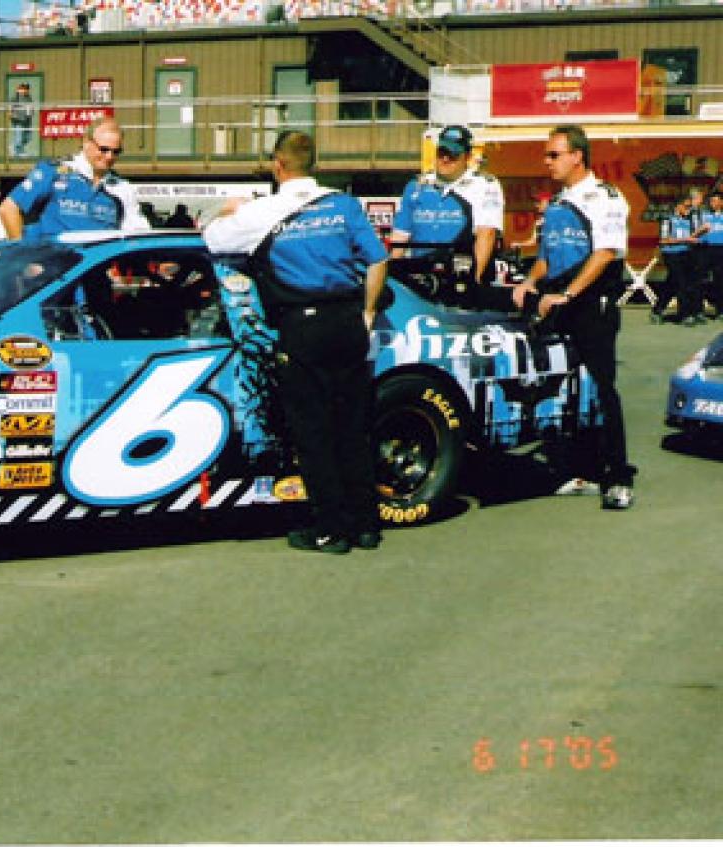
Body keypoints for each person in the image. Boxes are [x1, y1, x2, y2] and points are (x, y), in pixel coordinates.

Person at [203, 129, 388, 555]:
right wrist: (367, 312)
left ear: (278, 165)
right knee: (352, 427)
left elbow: (210, 238)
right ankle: (365, 526)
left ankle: (331, 530)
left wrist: (226, 211)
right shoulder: (343, 204)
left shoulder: (263, 211)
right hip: (348, 322)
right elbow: (378, 259)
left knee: (314, 432)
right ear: (314, 164)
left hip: (302, 327)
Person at [509, 124, 636, 510]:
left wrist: (567, 294)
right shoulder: (557, 204)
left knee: (601, 387)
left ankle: (618, 478)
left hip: (590, 305)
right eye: (546, 154)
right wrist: (529, 282)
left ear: (577, 156)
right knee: (562, 386)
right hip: (557, 305)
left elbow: (606, 253)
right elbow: (546, 257)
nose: (547, 161)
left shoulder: (605, 197)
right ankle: (579, 469)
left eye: (554, 154)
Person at [390, 124, 505, 304]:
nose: (445, 159)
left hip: (460, 275)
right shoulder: (417, 185)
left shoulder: (484, 185)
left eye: (453, 154)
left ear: (467, 157)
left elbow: (487, 234)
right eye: (441, 152)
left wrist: (475, 279)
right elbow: (400, 237)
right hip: (419, 277)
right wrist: (389, 275)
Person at [0, 116, 148, 240]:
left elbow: (139, 234)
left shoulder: (122, 188)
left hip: (96, 263)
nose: (109, 156)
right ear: (86, 142)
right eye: (104, 149)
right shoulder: (55, 172)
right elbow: (8, 209)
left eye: (116, 151)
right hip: (55, 261)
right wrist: (23, 253)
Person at [654, 197, 698, 324]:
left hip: (685, 253)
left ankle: (657, 309)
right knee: (681, 283)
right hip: (671, 254)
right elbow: (664, 240)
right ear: (678, 206)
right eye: (686, 207)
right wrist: (685, 240)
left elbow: (692, 237)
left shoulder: (688, 221)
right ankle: (684, 315)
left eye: (690, 207)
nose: (688, 210)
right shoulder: (668, 220)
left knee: (672, 284)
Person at [699, 190, 723, 318]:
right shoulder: (705, 216)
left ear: (721, 202)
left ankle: (720, 310)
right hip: (706, 249)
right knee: (701, 279)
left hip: (720, 250)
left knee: (720, 280)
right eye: (711, 201)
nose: (712, 203)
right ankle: (698, 310)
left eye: (715, 201)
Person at [9, 82, 35, 157]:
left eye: (26, 89)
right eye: (23, 88)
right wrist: (10, 113)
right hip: (18, 120)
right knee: (19, 137)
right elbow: (10, 107)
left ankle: (15, 147)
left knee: (28, 137)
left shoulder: (29, 98)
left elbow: (31, 108)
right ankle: (18, 151)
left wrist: (31, 113)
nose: (25, 90)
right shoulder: (15, 98)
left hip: (27, 120)